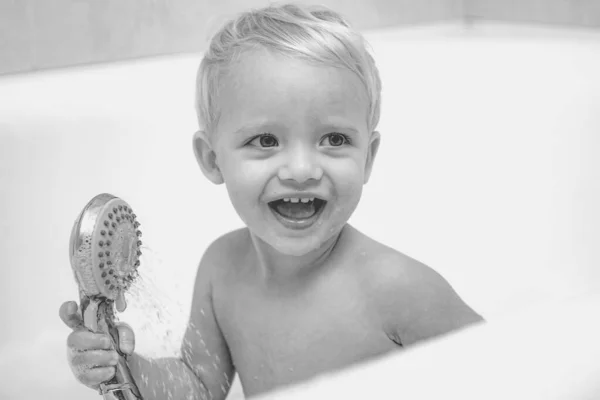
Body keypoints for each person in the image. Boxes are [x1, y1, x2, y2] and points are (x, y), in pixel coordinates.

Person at [59, 3, 484, 399]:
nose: (301, 169)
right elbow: (198, 385)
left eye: (334, 139)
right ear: (212, 159)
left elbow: (502, 368)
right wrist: (122, 364)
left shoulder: (398, 288)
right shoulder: (221, 270)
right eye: (266, 140)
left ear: (368, 158)